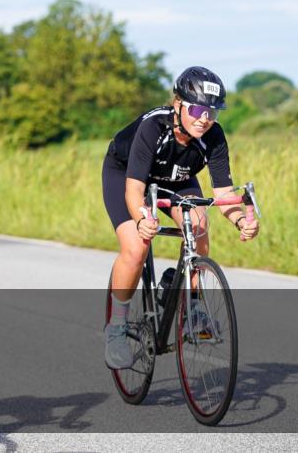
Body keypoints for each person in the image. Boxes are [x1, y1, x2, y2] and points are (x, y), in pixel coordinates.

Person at [102, 66, 260, 369]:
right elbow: (134, 191)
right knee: (136, 247)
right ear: (178, 104)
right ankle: (117, 326)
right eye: (198, 109)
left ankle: (186, 296)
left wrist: (241, 220)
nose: (205, 118)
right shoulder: (153, 126)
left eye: (212, 112)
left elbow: (224, 192)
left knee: (199, 225)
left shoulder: (213, 136)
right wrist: (141, 219)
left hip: (175, 178)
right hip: (128, 175)